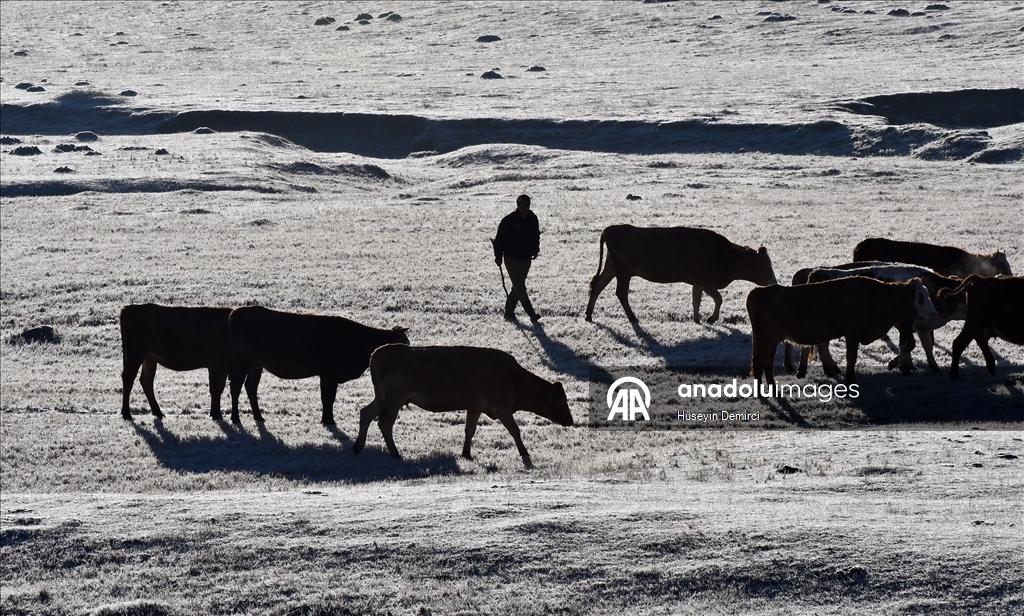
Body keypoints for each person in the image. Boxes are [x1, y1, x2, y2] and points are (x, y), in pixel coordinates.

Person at [493, 194, 541, 322]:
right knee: (520, 287)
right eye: (522, 204)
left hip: (526, 259)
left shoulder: (532, 218)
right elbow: (500, 240)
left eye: (527, 204)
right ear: (518, 205)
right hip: (511, 258)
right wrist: (498, 256)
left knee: (516, 288)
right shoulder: (509, 220)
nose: (525, 206)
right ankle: (532, 315)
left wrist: (536, 249)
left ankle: (509, 312)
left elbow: (536, 235)